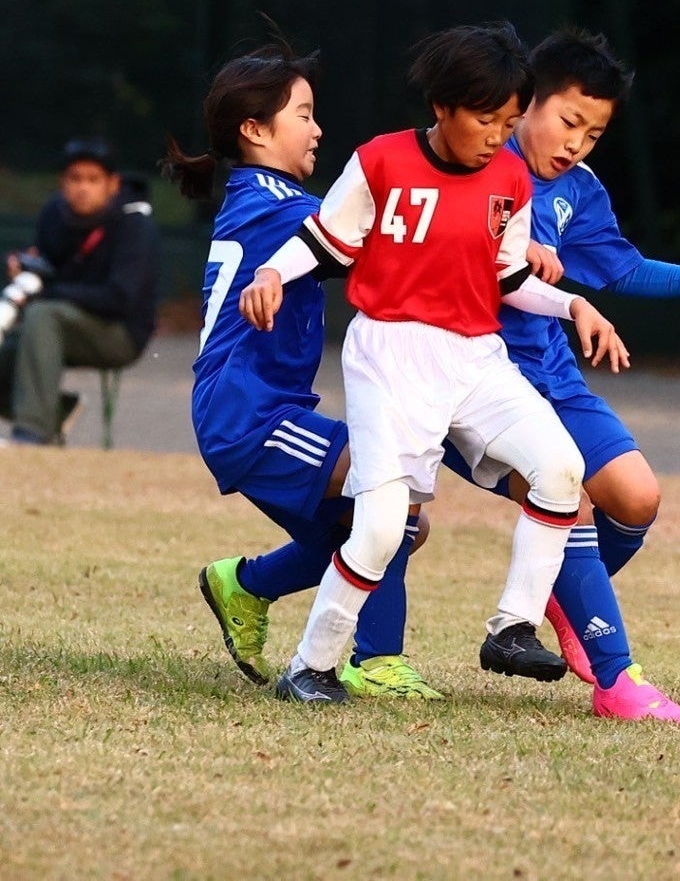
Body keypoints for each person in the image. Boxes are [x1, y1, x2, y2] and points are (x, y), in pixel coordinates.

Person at [239, 21, 628, 704]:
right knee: (385, 526)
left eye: (507, 121)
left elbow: (509, 276)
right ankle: (311, 664)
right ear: (442, 107)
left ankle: (512, 628)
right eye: (484, 118)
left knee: (563, 470)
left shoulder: (510, 175)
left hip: (474, 355)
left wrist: (572, 307)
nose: (495, 136)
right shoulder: (380, 162)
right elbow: (323, 241)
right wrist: (272, 272)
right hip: (389, 356)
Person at [416, 27, 680, 725]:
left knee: (637, 499)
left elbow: (623, 267)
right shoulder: (479, 160)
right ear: (526, 106)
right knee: (564, 494)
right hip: (480, 380)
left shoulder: (578, 190)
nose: (577, 142)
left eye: (594, 133)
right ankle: (619, 681)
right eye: (569, 121)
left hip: (553, 373)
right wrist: (517, 255)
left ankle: (557, 586)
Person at [169, 37, 442, 695]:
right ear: (255, 129)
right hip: (250, 413)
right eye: (304, 113)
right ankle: (375, 662)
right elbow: (362, 239)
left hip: (255, 410)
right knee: (388, 491)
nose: (318, 128)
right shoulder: (277, 206)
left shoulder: (260, 197)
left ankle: (245, 584)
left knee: (383, 528)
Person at [0, 138, 160, 445]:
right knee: (20, 334)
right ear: (63, 182)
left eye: (92, 179)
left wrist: (51, 294)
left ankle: (32, 435)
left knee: (43, 314)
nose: (82, 188)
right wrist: (21, 266)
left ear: (113, 184)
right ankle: (58, 411)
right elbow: (46, 269)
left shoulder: (135, 225)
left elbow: (120, 298)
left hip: (120, 333)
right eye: (75, 179)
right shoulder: (54, 215)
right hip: (58, 321)